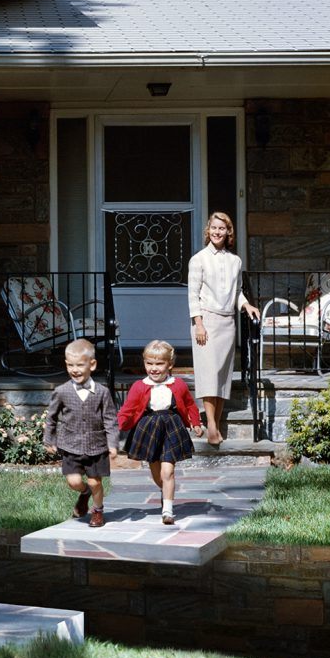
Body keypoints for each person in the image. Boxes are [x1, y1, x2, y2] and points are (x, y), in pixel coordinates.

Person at [188, 212, 260, 444]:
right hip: (206, 322)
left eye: (222, 229)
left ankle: (215, 424)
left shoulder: (235, 261)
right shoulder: (198, 259)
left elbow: (237, 291)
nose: (218, 232)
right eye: (214, 228)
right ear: (208, 230)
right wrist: (198, 324)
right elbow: (193, 295)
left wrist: (246, 304)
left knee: (221, 376)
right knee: (209, 374)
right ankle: (210, 425)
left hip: (228, 322)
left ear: (228, 232)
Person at [117, 340, 202, 525]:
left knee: (168, 471)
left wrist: (195, 422)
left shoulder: (178, 384)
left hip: (172, 426)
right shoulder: (139, 386)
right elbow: (128, 408)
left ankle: (168, 510)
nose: (153, 368)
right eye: (149, 363)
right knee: (157, 473)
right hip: (149, 428)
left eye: (159, 364)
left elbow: (189, 404)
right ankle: (166, 493)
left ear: (169, 364)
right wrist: (118, 425)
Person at [43, 338, 119, 528]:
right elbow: (51, 417)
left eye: (79, 365)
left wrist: (112, 444)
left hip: (96, 446)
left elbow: (110, 419)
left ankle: (98, 511)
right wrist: (49, 439)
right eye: (70, 365)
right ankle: (84, 493)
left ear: (92, 365)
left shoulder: (102, 392)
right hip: (71, 445)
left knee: (95, 482)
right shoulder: (62, 391)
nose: (74, 370)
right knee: (74, 481)